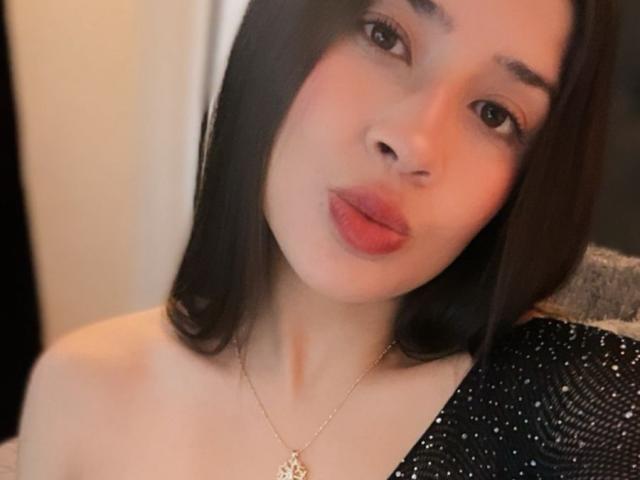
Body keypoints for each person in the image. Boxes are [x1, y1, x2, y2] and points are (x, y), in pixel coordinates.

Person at [17, 0, 638, 478]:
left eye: (494, 114)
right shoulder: (79, 392)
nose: (413, 144)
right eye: (384, 37)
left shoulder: (582, 415)